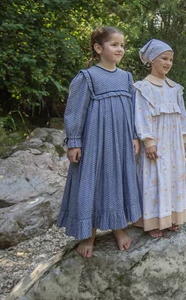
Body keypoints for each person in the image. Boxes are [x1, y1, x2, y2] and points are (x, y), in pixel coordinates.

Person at [57, 26, 142, 258]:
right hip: (94, 141)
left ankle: (118, 227)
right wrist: (74, 141)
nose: (120, 49)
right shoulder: (87, 77)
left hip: (121, 141)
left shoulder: (126, 77)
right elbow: (75, 111)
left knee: (117, 180)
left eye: (122, 45)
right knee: (91, 182)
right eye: (114, 44)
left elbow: (133, 109)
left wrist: (135, 135)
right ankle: (89, 234)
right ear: (98, 48)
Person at [134, 39, 186, 238]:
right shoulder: (144, 88)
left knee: (173, 178)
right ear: (152, 60)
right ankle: (153, 221)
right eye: (163, 58)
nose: (168, 63)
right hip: (156, 141)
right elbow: (141, 115)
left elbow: (182, 115)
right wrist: (148, 141)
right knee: (154, 177)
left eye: (170, 59)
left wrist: (183, 138)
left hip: (174, 142)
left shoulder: (175, 88)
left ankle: (171, 218)